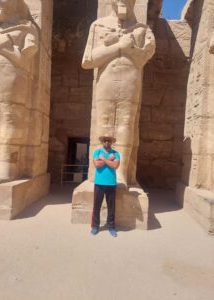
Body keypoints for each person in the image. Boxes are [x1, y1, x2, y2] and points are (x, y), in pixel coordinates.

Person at [82, 0, 155, 186]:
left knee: (125, 123)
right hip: (106, 81)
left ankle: (121, 172)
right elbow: (89, 60)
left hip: (130, 81)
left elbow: (142, 59)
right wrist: (118, 46)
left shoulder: (142, 30)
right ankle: (100, 171)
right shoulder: (98, 25)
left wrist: (129, 46)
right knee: (104, 123)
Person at [0, 0, 38, 182]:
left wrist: (5, 46)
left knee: (7, 118)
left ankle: (5, 165)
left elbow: (25, 61)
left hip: (11, 78)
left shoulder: (26, 28)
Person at [91, 134, 120, 237]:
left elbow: (115, 166)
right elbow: (97, 165)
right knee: (96, 206)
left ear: (111, 142)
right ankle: (95, 226)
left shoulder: (116, 153)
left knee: (111, 207)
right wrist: (109, 159)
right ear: (102, 142)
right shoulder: (97, 152)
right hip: (99, 183)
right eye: (105, 140)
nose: (107, 142)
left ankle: (111, 227)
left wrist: (103, 159)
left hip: (111, 183)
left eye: (109, 140)